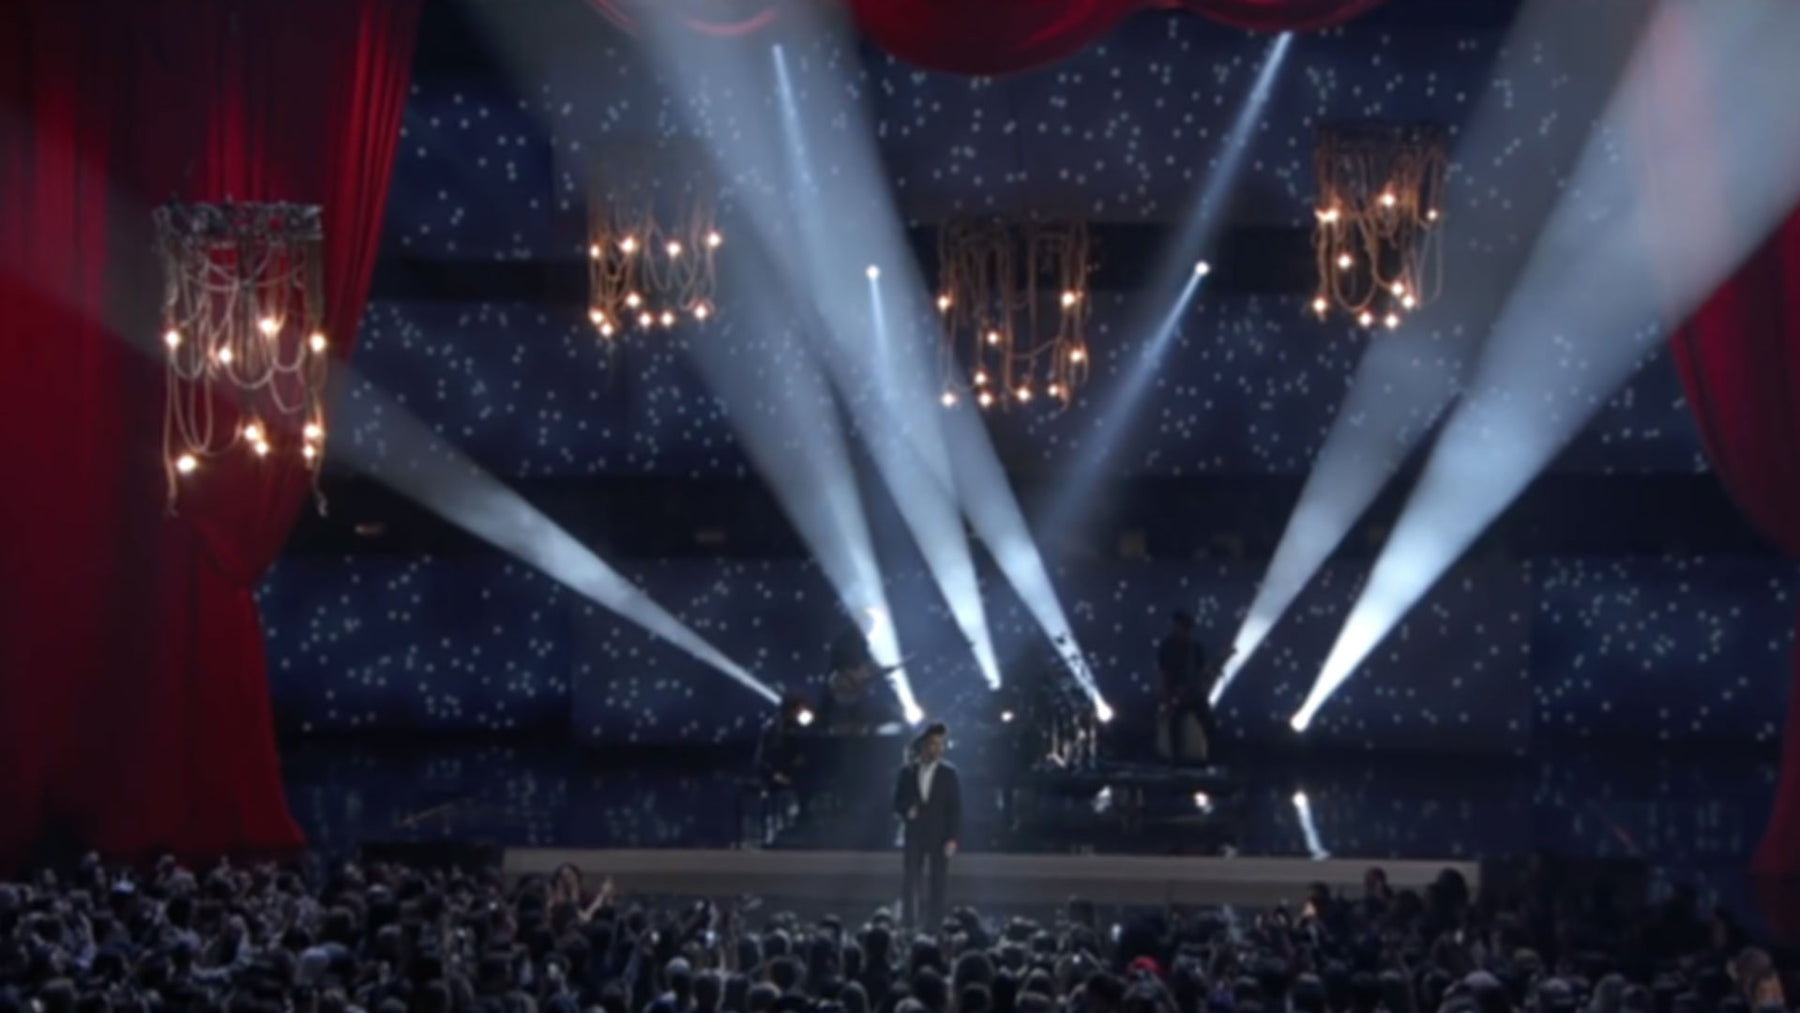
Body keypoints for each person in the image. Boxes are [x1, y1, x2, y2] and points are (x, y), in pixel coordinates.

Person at [893, 722, 961, 928]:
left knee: (938, 881)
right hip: (914, 834)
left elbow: (955, 808)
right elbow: (896, 801)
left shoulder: (949, 773)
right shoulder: (908, 772)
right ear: (924, 745)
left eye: (942, 744)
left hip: (939, 834)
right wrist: (907, 810)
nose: (939, 748)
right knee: (910, 880)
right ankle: (908, 921)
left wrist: (952, 838)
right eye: (934, 744)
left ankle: (935, 922)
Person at [1155, 611, 1229, 765]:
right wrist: (1167, 695)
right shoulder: (1167, 647)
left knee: (1209, 725)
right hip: (1175, 693)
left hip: (1193, 694)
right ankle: (1175, 762)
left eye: (1185, 628)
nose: (1182, 631)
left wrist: (1212, 672)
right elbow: (1164, 673)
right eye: (1180, 627)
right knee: (1175, 727)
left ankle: (1213, 761)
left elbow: (1201, 672)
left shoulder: (1196, 648)